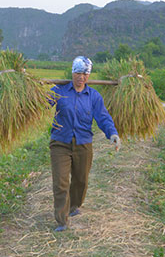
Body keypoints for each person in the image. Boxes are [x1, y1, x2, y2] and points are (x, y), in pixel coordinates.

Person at [48, 56, 120, 232]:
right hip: (60, 142)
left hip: (83, 143)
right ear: (72, 72)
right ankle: (62, 220)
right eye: (79, 72)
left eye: (85, 73)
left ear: (89, 76)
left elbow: (103, 117)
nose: (82, 77)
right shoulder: (58, 91)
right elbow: (38, 103)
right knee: (61, 182)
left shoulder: (94, 96)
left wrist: (112, 133)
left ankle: (73, 206)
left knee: (81, 181)